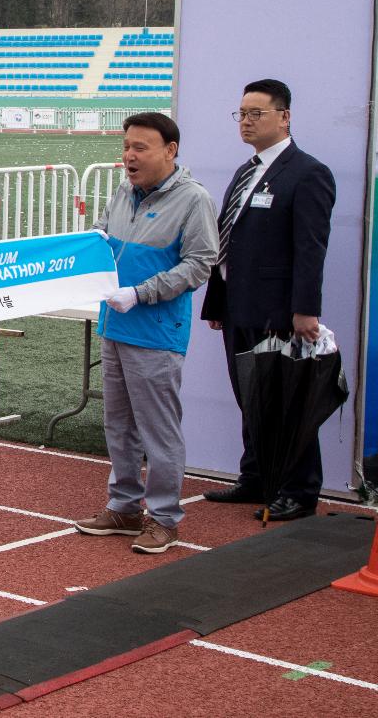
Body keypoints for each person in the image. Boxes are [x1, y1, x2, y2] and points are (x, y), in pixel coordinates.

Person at [74, 113, 218, 553]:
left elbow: (200, 264)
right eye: (126, 147)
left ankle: (165, 518)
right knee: (118, 426)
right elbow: (103, 239)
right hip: (115, 327)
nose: (129, 156)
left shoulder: (193, 200)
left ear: (170, 151)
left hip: (155, 331)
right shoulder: (124, 192)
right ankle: (124, 507)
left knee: (158, 430)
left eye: (140, 148)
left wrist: (142, 293)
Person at [201, 79, 336, 521]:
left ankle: (299, 490)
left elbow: (310, 247)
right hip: (239, 305)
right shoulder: (246, 171)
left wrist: (304, 309)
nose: (245, 121)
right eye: (240, 113)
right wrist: (218, 302)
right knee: (250, 395)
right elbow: (230, 241)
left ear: (284, 116)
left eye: (255, 113)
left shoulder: (307, 172)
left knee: (285, 400)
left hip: (279, 309)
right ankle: (256, 476)